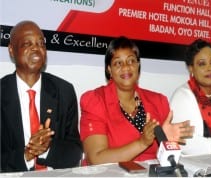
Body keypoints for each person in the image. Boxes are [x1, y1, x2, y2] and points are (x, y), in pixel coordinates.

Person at [80, 36, 194, 165]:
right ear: (109, 70)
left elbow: (166, 158)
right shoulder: (95, 101)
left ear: (138, 66)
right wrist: (142, 142)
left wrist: (166, 141)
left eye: (131, 61)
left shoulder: (159, 101)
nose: (126, 67)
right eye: (118, 63)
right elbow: (96, 159)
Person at [1, 20, 82, 172]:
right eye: (27, 44)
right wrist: (27, 154)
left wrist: (47, 148)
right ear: (11, 50)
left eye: (41, 44)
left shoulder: (64, 91)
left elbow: (75, 151)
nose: (36, 49)